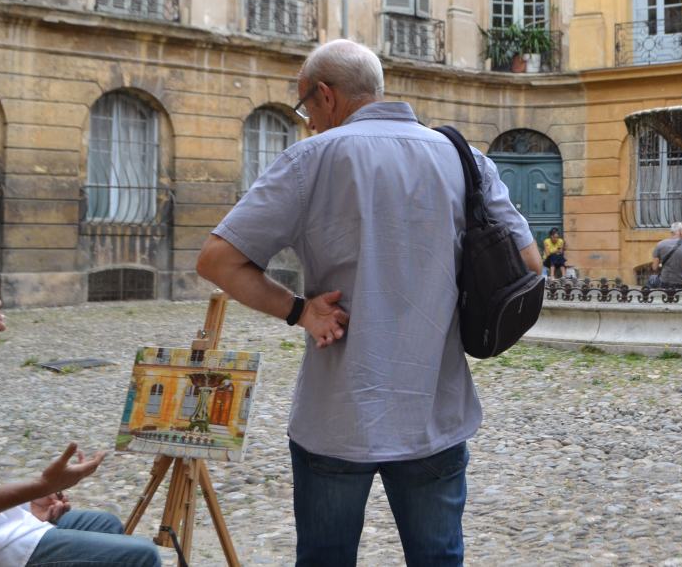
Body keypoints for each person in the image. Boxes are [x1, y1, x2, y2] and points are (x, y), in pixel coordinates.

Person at [195, 39, 540, 566]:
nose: (308, 122)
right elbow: (530, 266)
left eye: (306, 107)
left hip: (338, 414)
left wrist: (299, 310)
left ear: (327, 96)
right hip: (433, 408)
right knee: (439, 559)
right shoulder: (463, 157)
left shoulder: (311, 159)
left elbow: (217, 260)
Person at [0, 269, 161, 567]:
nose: (0, 325)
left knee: (105, 526)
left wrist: (23, 504)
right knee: (142, 556)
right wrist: (41, 485)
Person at [652, 222, 682, 287]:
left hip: (666, 282)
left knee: (652, 279)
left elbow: (654, 267)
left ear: (672, 232)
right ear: (681, 232)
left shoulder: (660, 244)